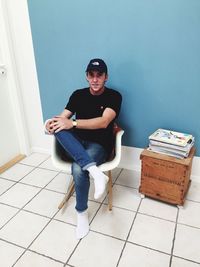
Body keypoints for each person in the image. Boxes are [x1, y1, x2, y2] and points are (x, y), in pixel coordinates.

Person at [45, 58, 122, 239]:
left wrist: (71, 123)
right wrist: (51, 125)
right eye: (91, 75)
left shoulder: (114, 96)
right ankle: (96, 172)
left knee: (79, 169)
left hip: (98, 145)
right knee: (56, 126)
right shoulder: (78, 95)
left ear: (106, 77)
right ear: (86, 76)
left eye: (99, 75)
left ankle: (81, 213)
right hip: (76, 143)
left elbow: (104, 122)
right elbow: (62, 118)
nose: (95, 79)